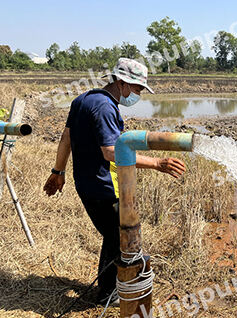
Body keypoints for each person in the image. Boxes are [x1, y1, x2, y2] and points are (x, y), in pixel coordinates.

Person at [43, 58, 186, 305]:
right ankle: (109, 294)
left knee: (112, 236)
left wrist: (59, 171)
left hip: (85, 184)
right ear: (122, 83)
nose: (139, 94)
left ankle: (110, 289)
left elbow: (66, 137)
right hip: (104, 186)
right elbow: (111, 152)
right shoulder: (106, 108)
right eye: (138, 89)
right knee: (120, 239)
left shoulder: (83, 100)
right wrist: (157, 163)